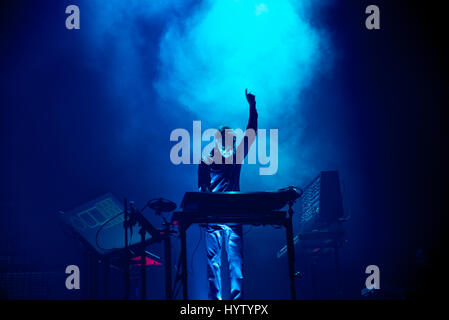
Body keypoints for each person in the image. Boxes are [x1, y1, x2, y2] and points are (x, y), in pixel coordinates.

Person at [198, 89, 258, 300]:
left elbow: (251, 132)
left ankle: (234, 302)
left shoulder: (229, 156)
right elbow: (202, 188)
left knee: (233, 264)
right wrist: (252, 107)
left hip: (228, 215)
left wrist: (252, 108)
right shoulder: (208, 158)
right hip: (217, 215)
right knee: (219, 264)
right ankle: (220, 302)